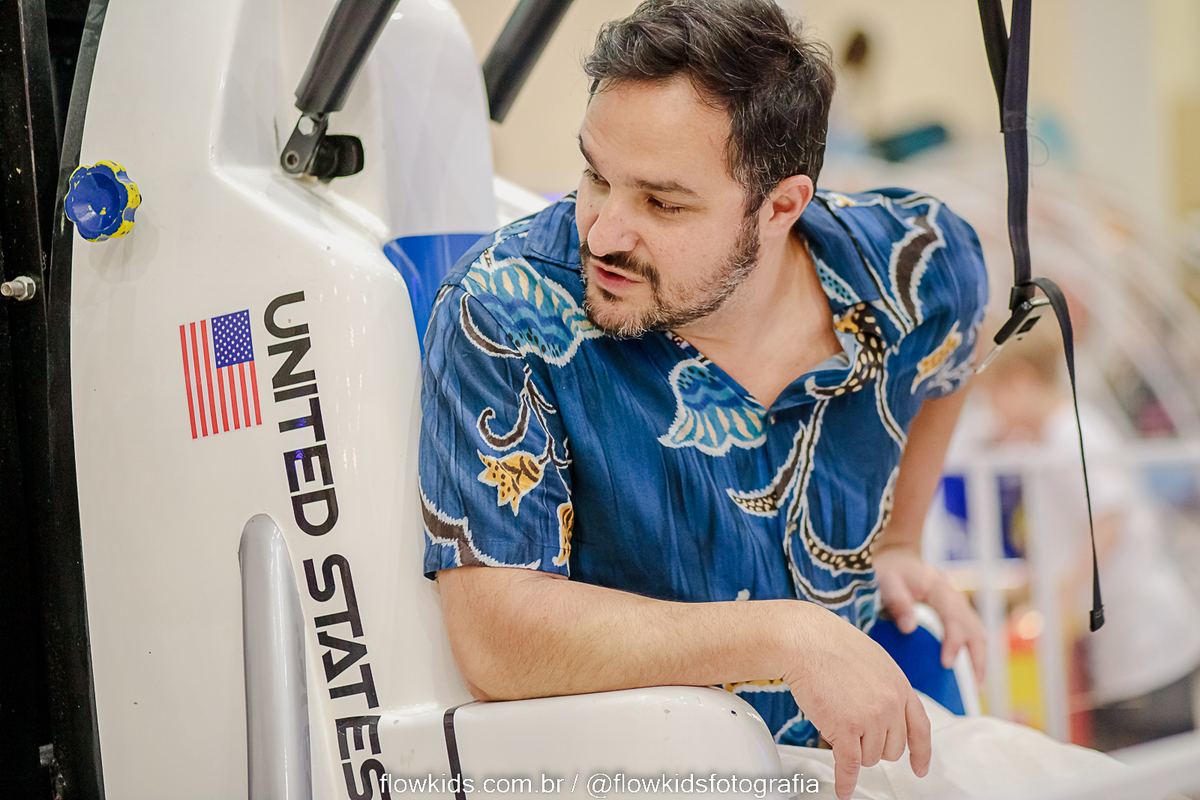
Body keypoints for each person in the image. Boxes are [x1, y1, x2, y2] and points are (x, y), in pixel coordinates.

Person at [417, 2, 1110, 798]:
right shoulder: (503, 308)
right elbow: (497, 639)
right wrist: (786, 636)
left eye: (663, 203)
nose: (603, 233)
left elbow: (951, 343)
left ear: (781, 206)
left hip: (856, 749)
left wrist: (899, 540)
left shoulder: (914, 264)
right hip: (649, 769)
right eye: (596, 176)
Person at [972, 324, 1200, 752]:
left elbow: (1109, 519)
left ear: (1020, 381)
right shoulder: (1054, 436)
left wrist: (1058, 597)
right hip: (1126, 644)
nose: (992, 413)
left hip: (1145, 641)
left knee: (1151, 759)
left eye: (993, 397)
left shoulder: (1071, 433)